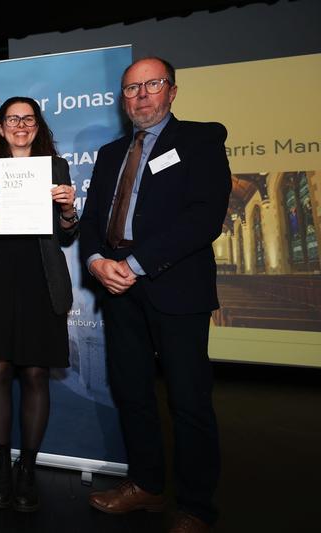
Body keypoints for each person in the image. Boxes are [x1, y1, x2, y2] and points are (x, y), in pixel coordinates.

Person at [79, 57, 231, 533]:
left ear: (172, 90)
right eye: (131, 88)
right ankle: (146, 485)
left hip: (175, 287)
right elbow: (92, 221)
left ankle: (196, 507)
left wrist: (135, 264)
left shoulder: (201, 140)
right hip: (117, 289)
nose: (142, 94)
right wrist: (95, 261)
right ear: (122, 99)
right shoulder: (110, 153)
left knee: (189, 400)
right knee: (132, 392)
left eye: (152, 84)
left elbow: (203, 218)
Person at [0, 96, 78, 512]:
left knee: (34, 372)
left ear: (38, 126)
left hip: (40, 278)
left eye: (28, 119)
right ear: (0, 127)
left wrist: (68, 209)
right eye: (12, 119)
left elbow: (67, 233)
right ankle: (0, 466)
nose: (20, 125)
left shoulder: (56, 168)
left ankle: (27, 467)